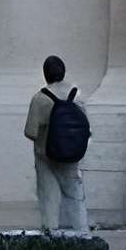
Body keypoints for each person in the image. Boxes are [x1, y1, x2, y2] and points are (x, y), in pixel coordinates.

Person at [24, 54, 89, 235]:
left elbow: (30, 131)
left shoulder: (40, 98)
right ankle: (82, 232)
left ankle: (50, 232)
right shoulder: (77, 94)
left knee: (48, 197)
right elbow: (86, 123)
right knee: (75, 194)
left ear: (46, 74)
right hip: (72, 155)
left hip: (46, 155)